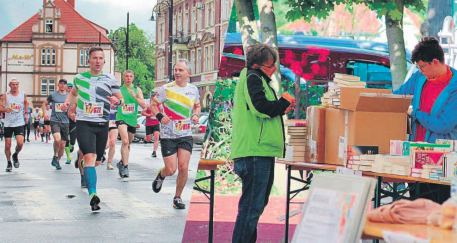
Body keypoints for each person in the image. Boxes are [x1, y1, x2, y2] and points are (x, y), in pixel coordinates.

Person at [229, 43, 295, 243]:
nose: (274, 68)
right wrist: (283, 102)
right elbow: (261, 107)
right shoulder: (253, 77)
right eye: (270, 65)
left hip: (258, 151)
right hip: (255, 152)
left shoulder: (254, 77)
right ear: (256, 65)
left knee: (254, 207)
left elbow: (261, 108)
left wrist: (281, 107)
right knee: (251, 208)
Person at [393, 37, 456, 202]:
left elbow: (443, 125)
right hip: (415, 157)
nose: (420, 71)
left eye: (421, 67)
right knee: (415, 210)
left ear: (435, 62)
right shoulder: (419, 78)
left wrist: (415, 114)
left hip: (441, 164)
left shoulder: (455, 87)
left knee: (436, 215)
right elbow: (397, 97)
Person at [62, 46, 123, 211]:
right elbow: (73, 93)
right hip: (84, 122)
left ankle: (80, 159)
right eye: (94, 58)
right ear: (88, 61)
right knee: (89, 157)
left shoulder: (110, 79)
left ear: (104, 61)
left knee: (96, 161)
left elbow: (120, 99)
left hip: (102, 123)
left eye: (101, 58)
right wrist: (68, 102)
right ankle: (93, 194)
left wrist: (118, 102)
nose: (98, 61)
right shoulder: (79, 78)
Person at [151, 59, 200, 209]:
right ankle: (162, 174)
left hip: (185, 134)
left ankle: (177, 197)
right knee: (171, 169)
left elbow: (197, 106)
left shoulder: (194, 89)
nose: (177, 73)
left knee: (184, 168)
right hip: (168, 135)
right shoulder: (166, 89)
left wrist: (196, 115)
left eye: (181, 70)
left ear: (188, 73)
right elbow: (153, 105)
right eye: (176, 70)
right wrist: (160, 117)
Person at [115, 70, 146, 178]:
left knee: (128, 144)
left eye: (131, 76)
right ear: (123, 78)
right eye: (126, 76)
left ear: (133, 78)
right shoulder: (118, 90)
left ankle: (121, 162)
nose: (128, 78)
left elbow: (144, 105)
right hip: (121, 118)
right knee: (125, 141)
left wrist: (134, 96)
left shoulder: (137, 90)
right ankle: (125, 166)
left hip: (132, 120)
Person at [0, 77, 29, 172]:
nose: (15, 86)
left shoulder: (22, 93)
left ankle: (15, 154)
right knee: (8, 145)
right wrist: (5, 109)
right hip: (8, 123)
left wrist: (26, 113)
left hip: (19, 123)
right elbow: (0, 107)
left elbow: (26, 102)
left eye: (16, 84)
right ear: (10, 85)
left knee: (20, 143)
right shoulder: (6, 95)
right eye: (13, 84)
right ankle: (9, 162)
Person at [42, 79, 69, 170]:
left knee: (62, 144)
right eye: (61, 83)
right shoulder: (53, 95)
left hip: (65, 122)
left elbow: (74, 106)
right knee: (57, 140)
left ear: (66, 86)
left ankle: (58, 160)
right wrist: (45, 113)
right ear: (58, 85)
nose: (62, 85)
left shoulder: (69, 96)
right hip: (55, 120)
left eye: (64, 84)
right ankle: (55, 155)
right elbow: (44, 104)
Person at [64, 83, 77, 164]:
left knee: (73, 139)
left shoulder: (76, 97)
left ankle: (72, 145)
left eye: (71, 88)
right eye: (68, 88)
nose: (69, 90)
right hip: (64, 119)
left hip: (73, 119)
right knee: (65, 139)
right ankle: (68, 157)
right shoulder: (64, 97)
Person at [105, 104, 118, 170]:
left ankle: (109, 163)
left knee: (112, 143)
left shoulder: (119, 101)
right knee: (106, 145)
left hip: (114, 123)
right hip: (105, 123)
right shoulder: (105, 99)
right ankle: (101, 152)